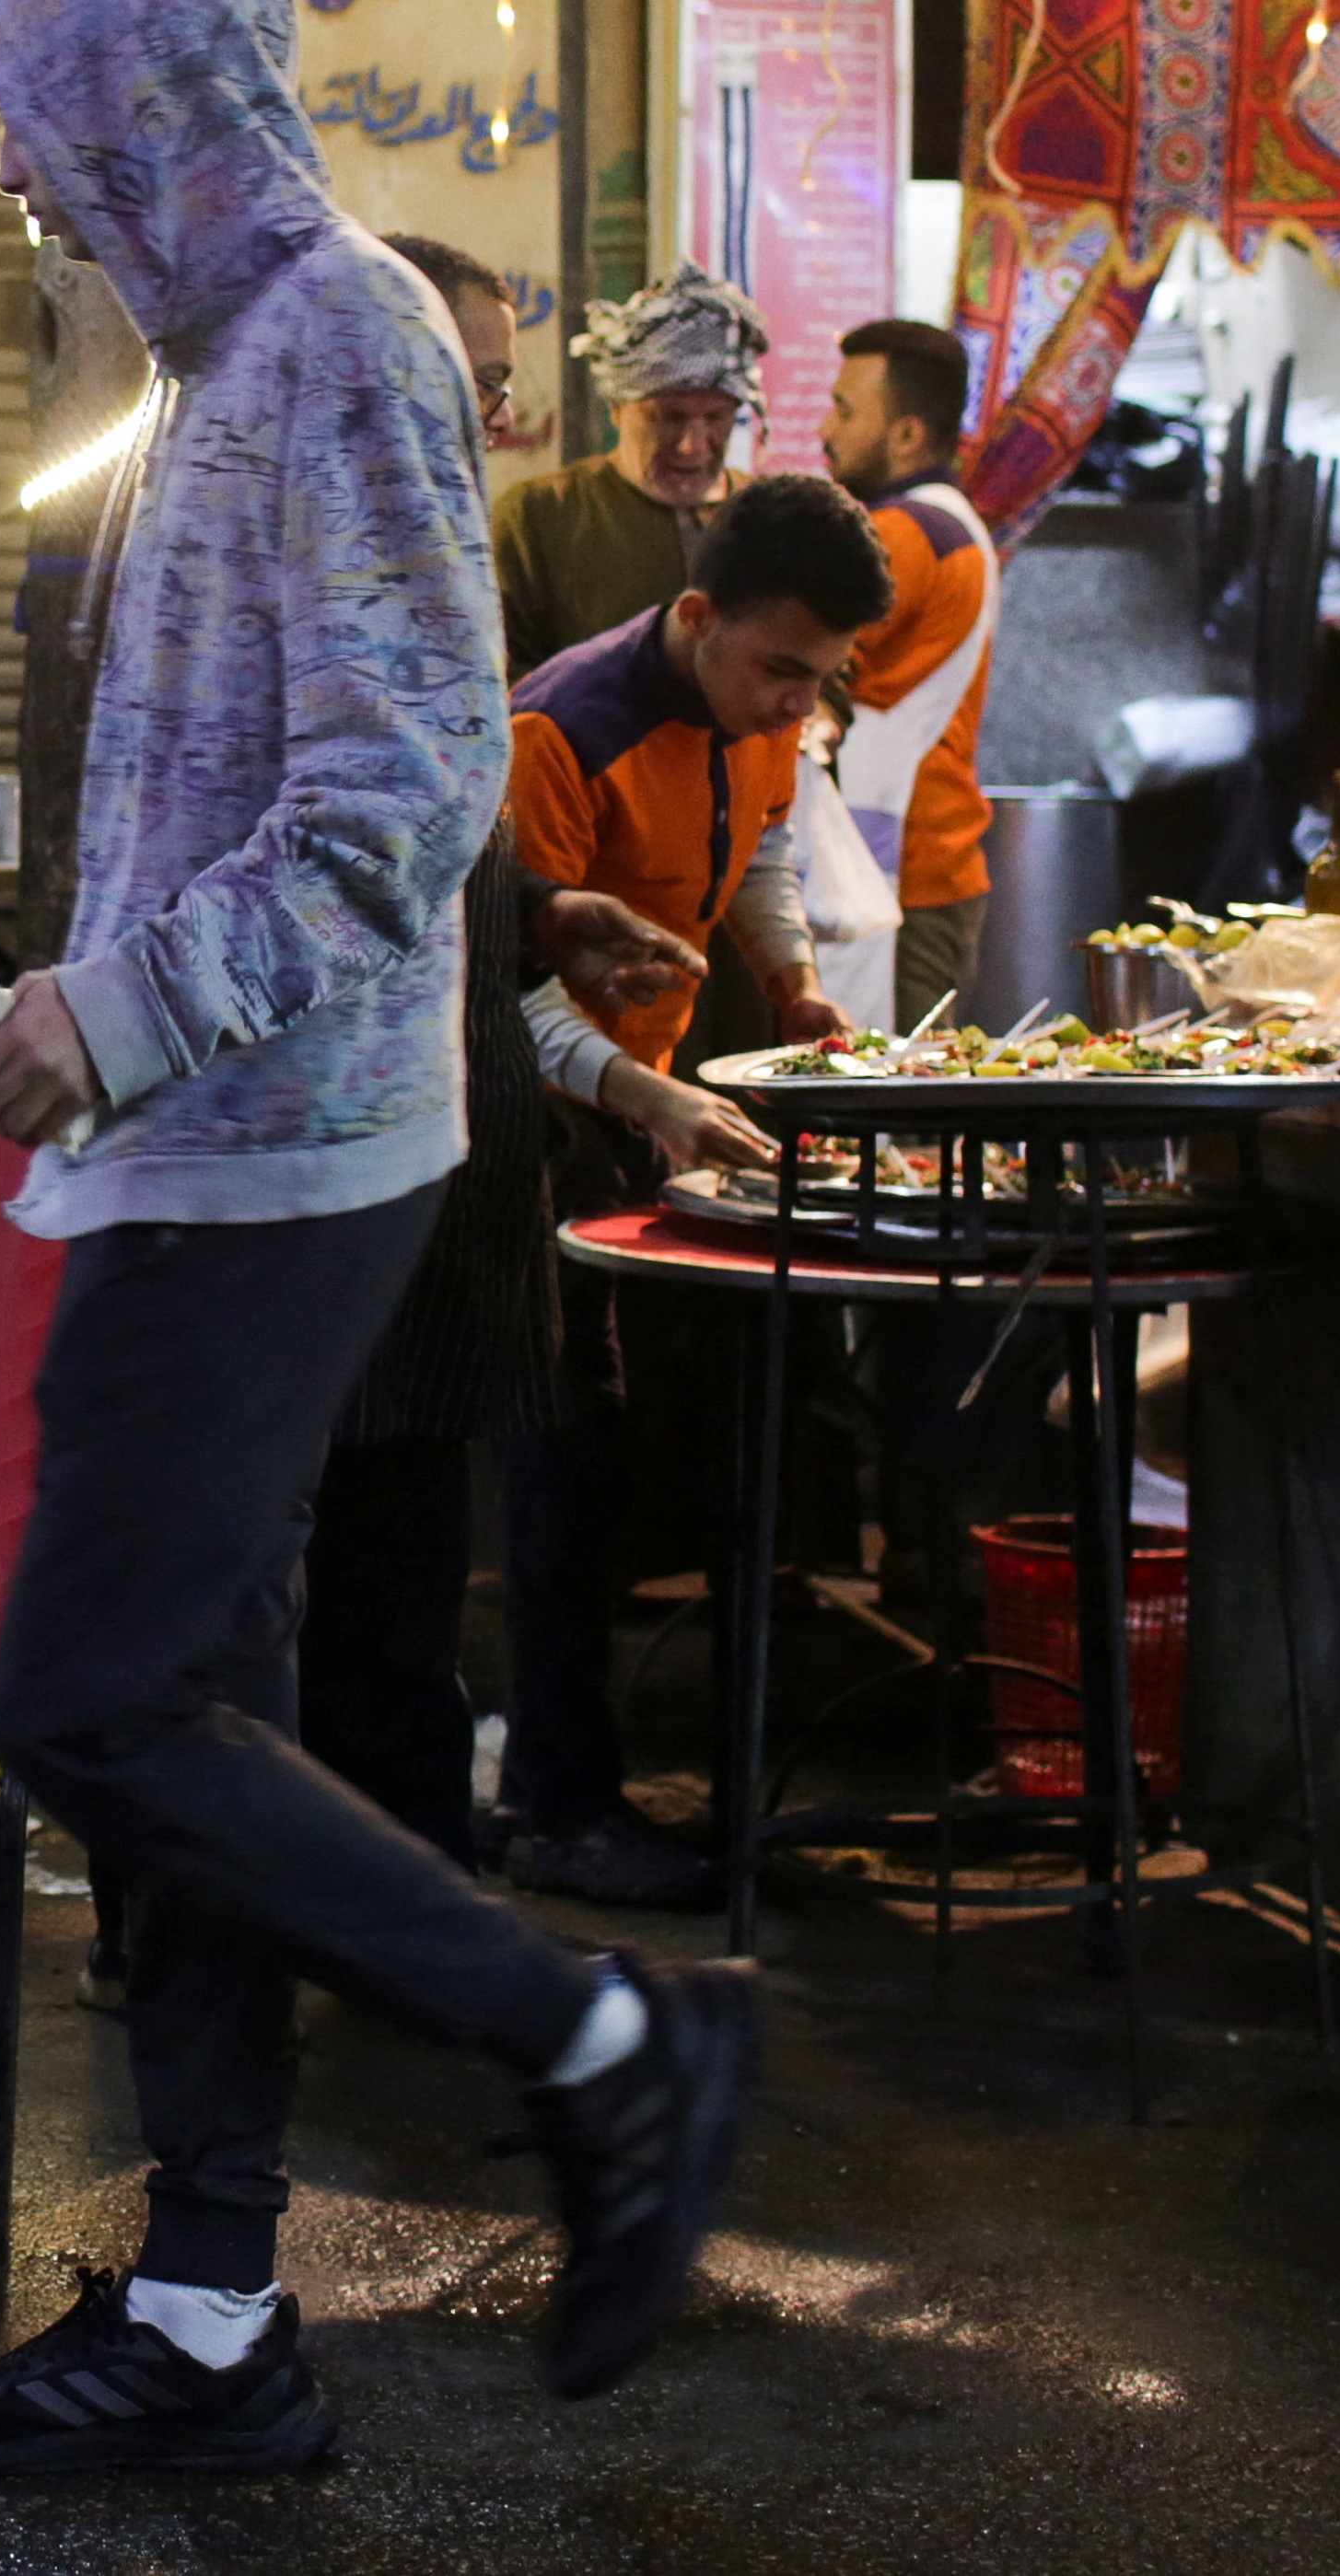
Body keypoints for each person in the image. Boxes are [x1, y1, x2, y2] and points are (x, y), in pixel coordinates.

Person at [0, 0, 756, 2477]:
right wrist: (68, 1003)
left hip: (268, 1157)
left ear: (145, 100)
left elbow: (400, 795)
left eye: (33, 114)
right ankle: (208, 2309)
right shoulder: (215, 368)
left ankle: (608, 2038)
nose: (15, 175)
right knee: (192, 1721)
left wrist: (117, 1010)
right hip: (193, 1142)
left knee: (90, 1695)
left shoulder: (337, 333)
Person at [303, 232, 705, 1870]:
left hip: (448, 1148)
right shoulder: (313, 558)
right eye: (459, 385)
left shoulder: (436, 553)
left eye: (492, 392)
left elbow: (429, 839)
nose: (482, 422)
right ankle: (338, 1915)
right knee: (334, 1571)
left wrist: (539, 910)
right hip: (337, 1151)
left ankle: (401, 1887)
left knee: (403, 1559)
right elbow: (311, 855)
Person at [484, 474, 897, 1907]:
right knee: (562, 1462)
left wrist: (788, 976)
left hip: (639, 1110)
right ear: (700, 612)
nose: (797, 704)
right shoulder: (560, 728)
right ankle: (551, 1802)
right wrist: (649, 1097)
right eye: (781, 667)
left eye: (823, 680)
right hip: (517, 1133)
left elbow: (769, 837)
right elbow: (504, 982)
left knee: (656, 1450)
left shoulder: (765, 712)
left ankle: (599, 1777)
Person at [817, 318, 1000, 1033]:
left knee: (889, 1111)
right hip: (927, 864)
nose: (826, 427)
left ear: (907, 436)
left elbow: (820, 654)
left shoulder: (904, 535)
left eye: (847, 409)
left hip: (903, 872)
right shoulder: (951, 523)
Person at [490, 270, 768, 677]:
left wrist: (821, 719)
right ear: (617, 410)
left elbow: (821, 660)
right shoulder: (539, 515)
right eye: (669, 418)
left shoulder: (772, 518)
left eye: (715, 417)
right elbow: (503, 674)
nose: (693, 445)